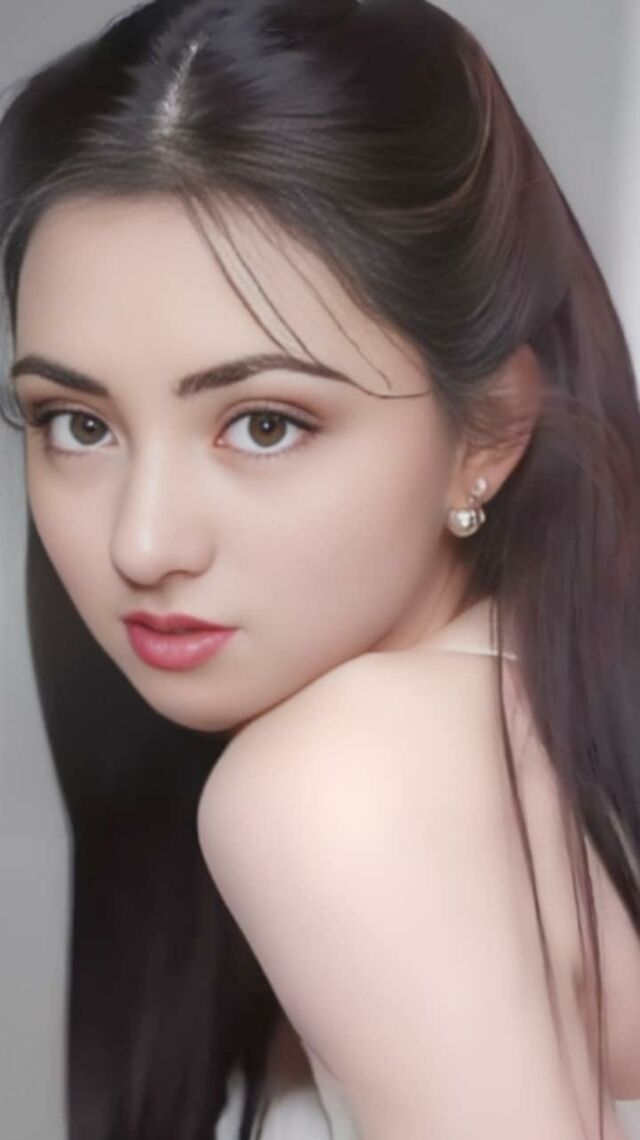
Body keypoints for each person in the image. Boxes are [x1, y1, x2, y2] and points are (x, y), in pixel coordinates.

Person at [0, 0, 638, 1137]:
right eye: (78, 424)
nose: (141, 544)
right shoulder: (540, 722)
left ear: (490, 429)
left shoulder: (336, 784)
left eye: (263, 424)